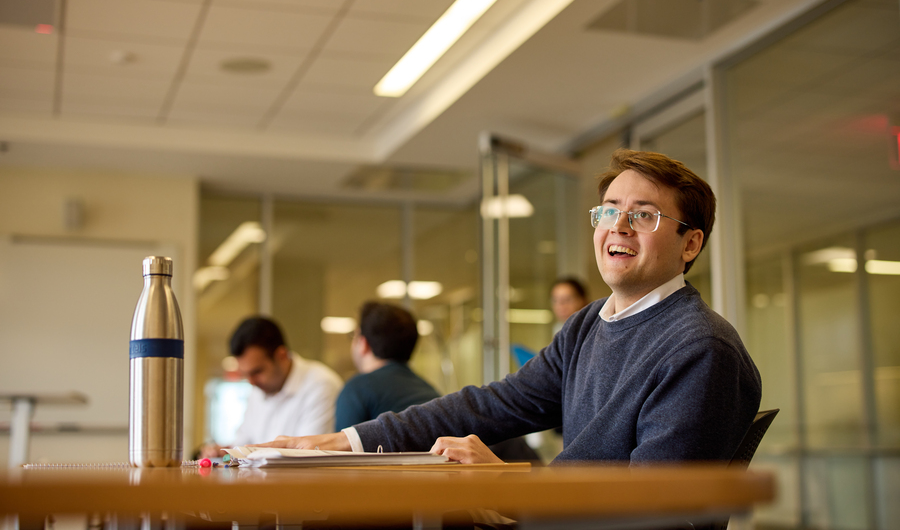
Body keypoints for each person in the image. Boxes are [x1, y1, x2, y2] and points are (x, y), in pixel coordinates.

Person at [255, 149, 762, 468]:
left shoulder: (699, 350)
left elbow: (652, 511)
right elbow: (493, 405)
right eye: (609, 210)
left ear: (690, 244)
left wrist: (506, 482)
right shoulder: (589, 325)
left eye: (644, 215)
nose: (618, 225)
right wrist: (346, 442)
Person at [201, 316, 343, 457]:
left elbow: (306, 457)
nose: (251, 382)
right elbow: (244, 443)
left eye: (257, 371)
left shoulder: (321, 385)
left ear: (281, 355)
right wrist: (225, 452)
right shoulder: (259, 388)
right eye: (246, 374)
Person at [335, 301, 440, 431]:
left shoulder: (357, 389)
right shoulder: (431, 391)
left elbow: (341, 447)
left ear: (363, 343)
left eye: (354, 335)